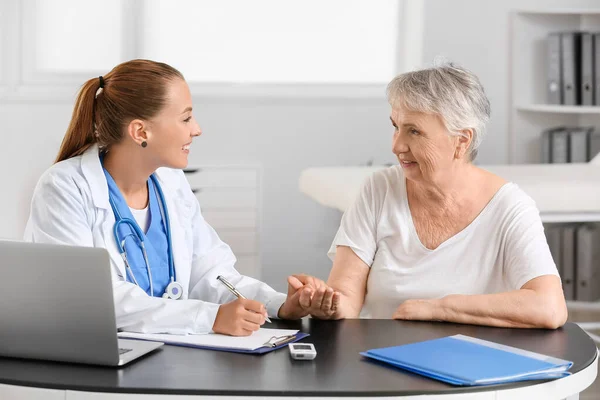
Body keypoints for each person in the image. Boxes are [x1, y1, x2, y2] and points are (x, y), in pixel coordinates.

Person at [24, 59, 316, 336]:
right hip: (97, 365)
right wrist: (209, 318)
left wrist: (279, 305)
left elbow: (211, 273)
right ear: (141, 131)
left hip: (172, 352)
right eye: (186, 118)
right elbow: (89, 298)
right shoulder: (65, 187)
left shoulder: (170, 182)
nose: (197, 129)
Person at [299, 63, 568, 329]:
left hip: (468, 361)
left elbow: (550, 307)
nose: (396, 146)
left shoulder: (510, 207)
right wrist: (326, 304)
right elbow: (345, 298)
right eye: (396, 126)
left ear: (461, 141)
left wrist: (438, 308)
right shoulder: (378, 190)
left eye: (414, 131)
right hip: (379, 360)